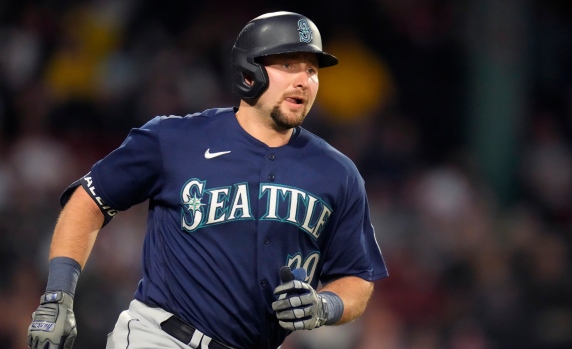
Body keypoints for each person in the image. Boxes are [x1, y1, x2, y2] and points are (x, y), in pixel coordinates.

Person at [27, 11, 388, 349]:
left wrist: (324, 305)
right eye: (288, 64)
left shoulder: (337, 173)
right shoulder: (174, 140)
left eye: (312, 70)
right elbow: (89, 201)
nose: (303, 80)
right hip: (161, 338)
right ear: (250, 73)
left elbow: (356, 276)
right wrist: (57, 296)